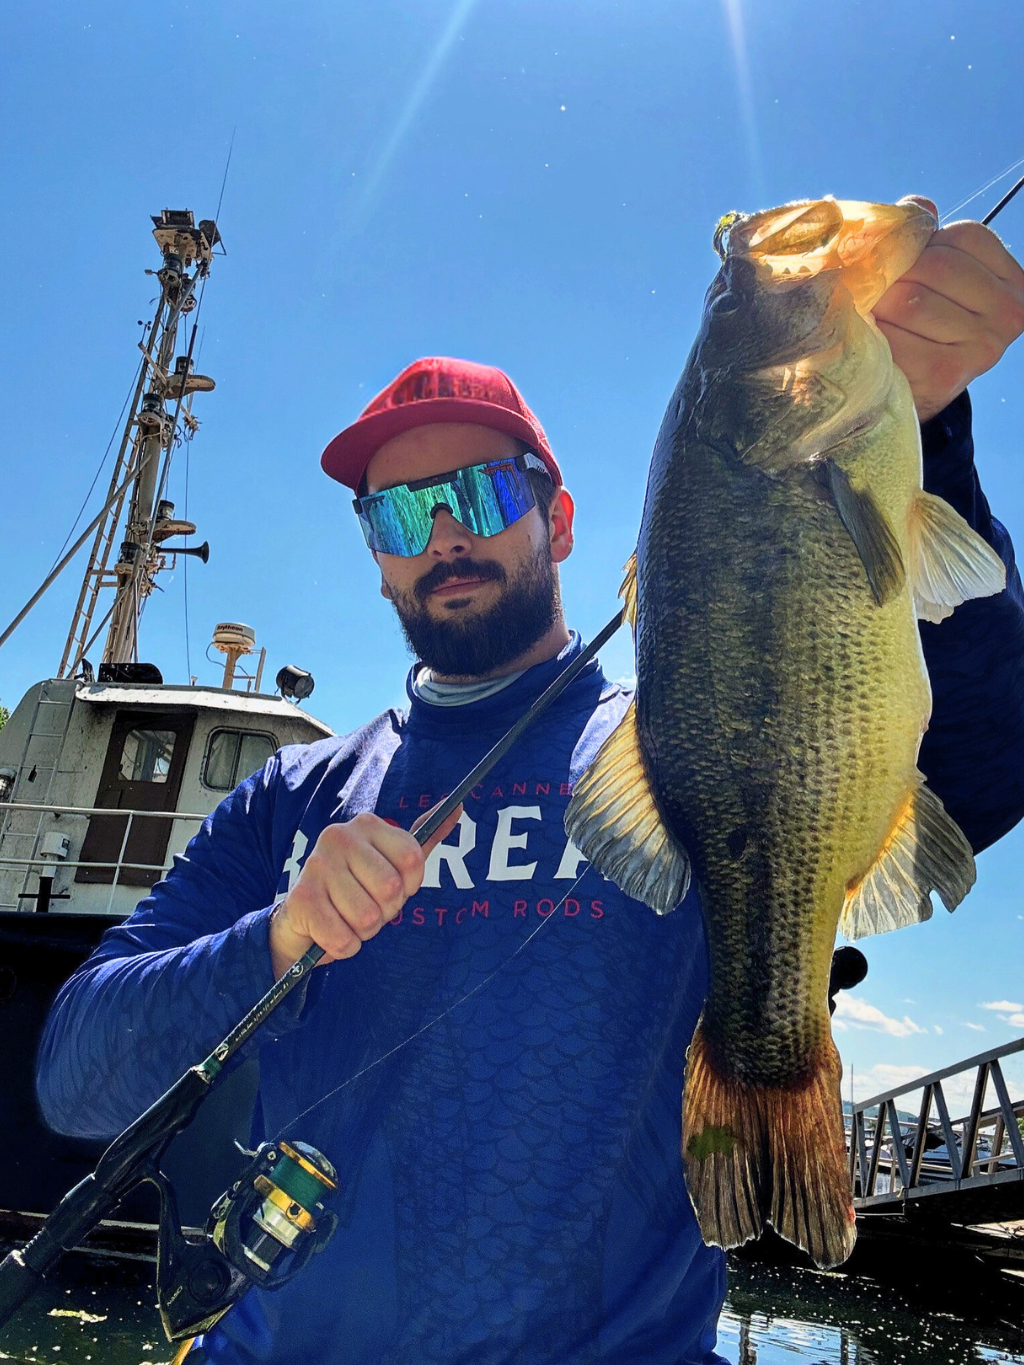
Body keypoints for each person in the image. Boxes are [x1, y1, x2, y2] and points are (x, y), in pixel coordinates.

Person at [37, 211, 1024, 1364]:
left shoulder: (683, 741)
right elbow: (73, 1078)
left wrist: (925, 426)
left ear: (556, 519)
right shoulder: (288, 798)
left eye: (484, 496)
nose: (444, 535)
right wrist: (276, 936)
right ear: (375, 553)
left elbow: (991, 754)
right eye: (401, 512)